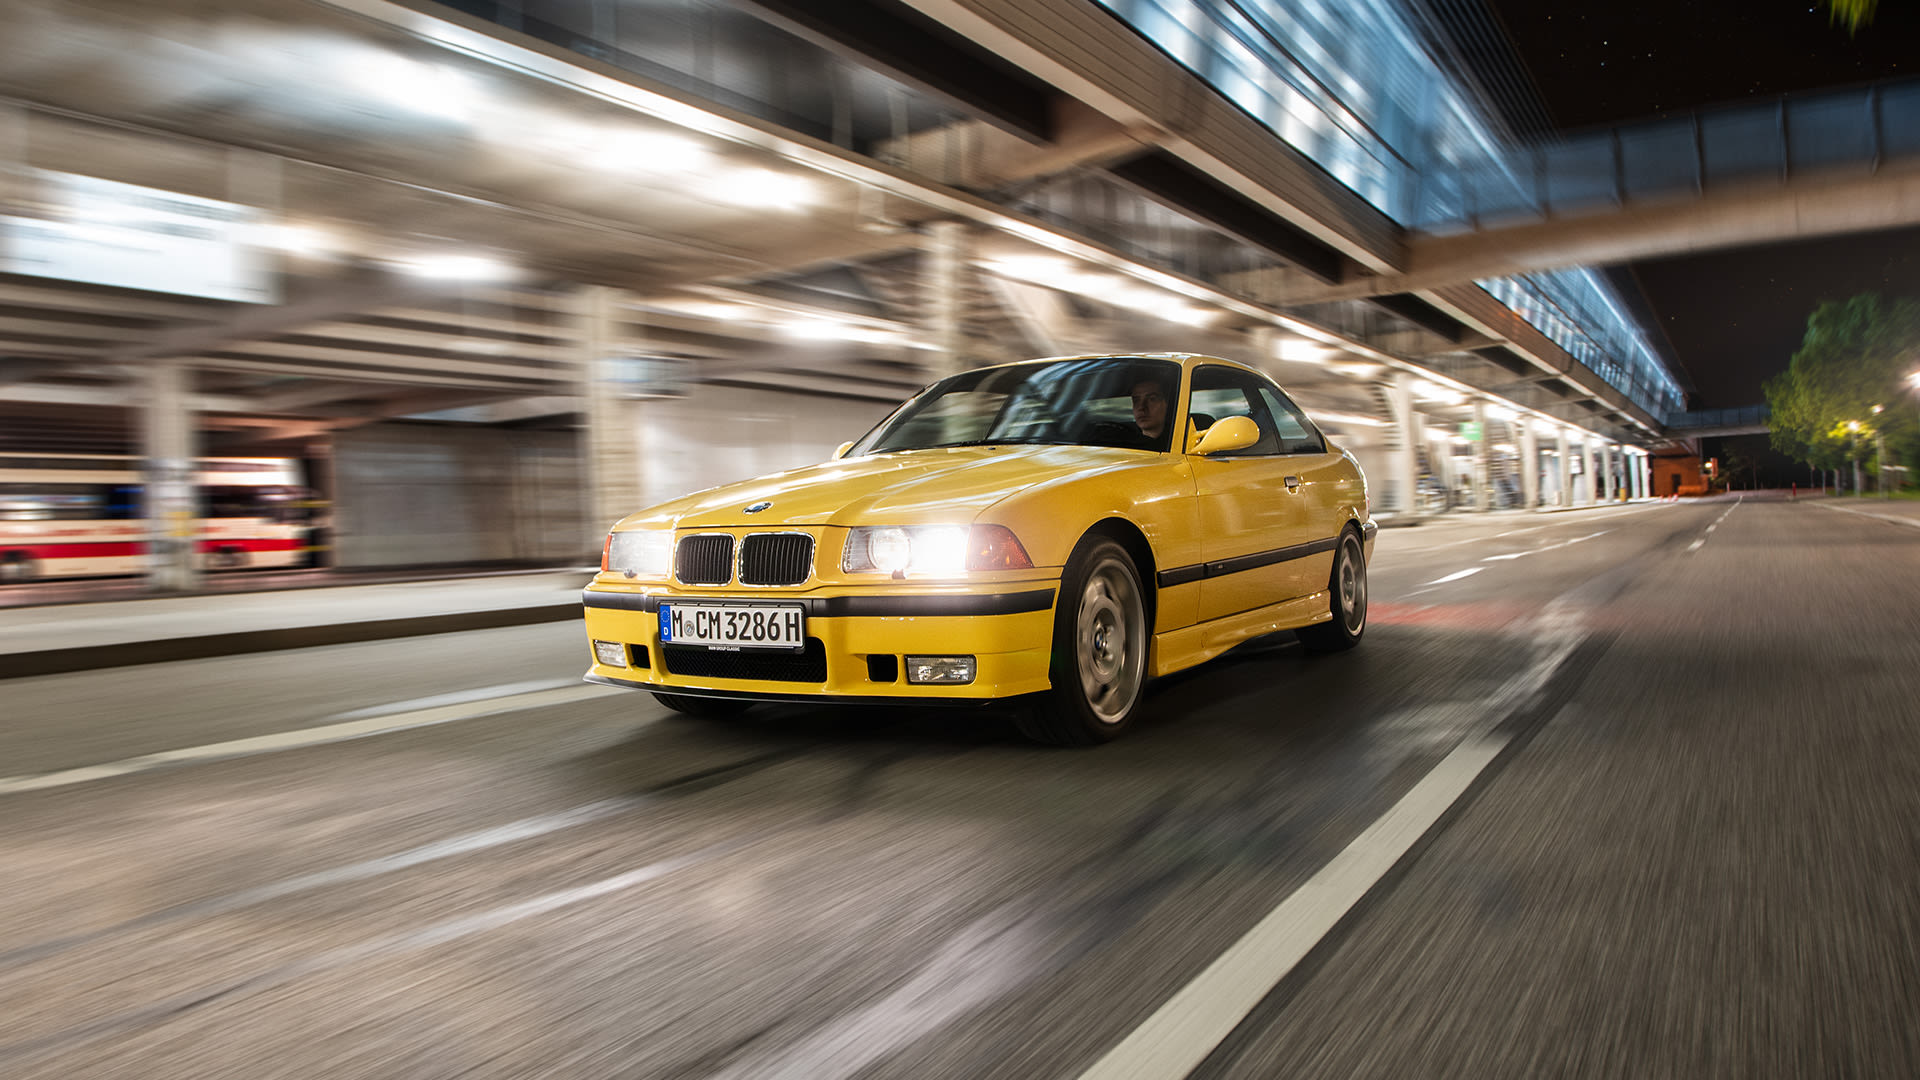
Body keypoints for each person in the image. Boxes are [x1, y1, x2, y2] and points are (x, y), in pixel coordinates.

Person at [1129, 375, 1170, 446]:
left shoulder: (1180, 444)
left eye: (1152, 399)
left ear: (1167, 404)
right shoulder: (1125, 444)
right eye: (1136, 400)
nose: (1141, 407)